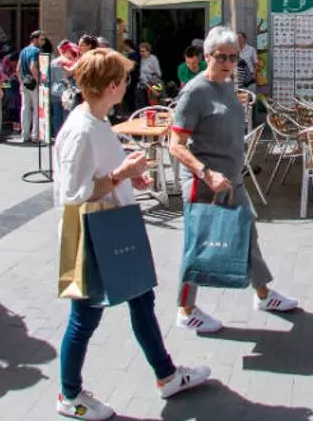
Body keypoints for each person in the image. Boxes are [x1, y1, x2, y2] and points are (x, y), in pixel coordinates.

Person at [53, 49, 210, 420]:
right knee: (85, 317)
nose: (127, 84)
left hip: (114, 225)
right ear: (112, 86)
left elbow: (100, 172)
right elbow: (74, 195)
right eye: (124, 79)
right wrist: (121, 175)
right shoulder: (81, 129)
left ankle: (167, 375)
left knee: (141, 298)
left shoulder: (96, 119)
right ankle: (69, 395)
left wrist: (128, 176)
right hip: (91, 232)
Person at [169, 27, 298, 334]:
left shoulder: (227, 85)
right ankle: (185, 310)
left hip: (231, 179)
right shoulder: (194, 93)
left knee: (247, 233)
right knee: (198, 243)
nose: (228, 63)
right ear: (206, 56)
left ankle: (263, 294)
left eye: (233, 57)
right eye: (221, 57)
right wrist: (206, 173)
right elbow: (175, 146)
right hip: (206, 182)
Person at [18, 30, 44, 143]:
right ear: (35, 39)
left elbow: (18, 69)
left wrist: (20, 82)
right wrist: (38, 82)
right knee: (37, 109)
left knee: (25, 109)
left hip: (24, 82)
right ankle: (35, 135)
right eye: (41, 39)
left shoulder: (23, 51)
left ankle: (25, 135)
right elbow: (33, 67)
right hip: (34, 83)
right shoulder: (36, 51)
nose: (43, 42)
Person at [50, 41, 80, 137]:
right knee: (66, 114)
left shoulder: (53, 62)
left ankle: (57, 135)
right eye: (71, 51)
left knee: (56, 114)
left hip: (54, 90)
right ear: (66, 51)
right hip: (67, 91)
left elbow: (49, 77)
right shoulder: (70, 63)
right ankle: (65, 136)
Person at [1, 49, 21, 134]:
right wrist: (9, 78)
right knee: (11, 102)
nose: (14, 64)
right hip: (6, 83)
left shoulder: (19, 60)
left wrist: (16, 76)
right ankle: (14, 125)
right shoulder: (6, 59)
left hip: (16, 83)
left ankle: (18, 125)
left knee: (17, 104)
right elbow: (1, 72)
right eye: (13, 62)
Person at [122, 39, 143, 113]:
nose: (123, 47)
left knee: (130, 94)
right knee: (129, 94)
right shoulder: (131, 54)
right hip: (131, 77)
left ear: (127, 45)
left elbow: (132, 67)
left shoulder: (133, 54)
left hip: (132, 77)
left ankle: (132, 110)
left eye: (124, 46)